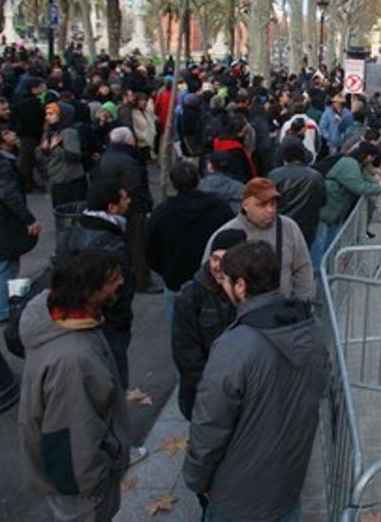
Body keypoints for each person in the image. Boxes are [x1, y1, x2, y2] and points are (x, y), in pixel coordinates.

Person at [183, 240, 330, 522]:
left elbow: (209, 425)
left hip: (237, 497)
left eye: (225, 280)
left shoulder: (233, 347)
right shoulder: (311, 327)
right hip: (287, 483)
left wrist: (196, 478)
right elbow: (319, 386)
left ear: (241, 286)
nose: (222, 286)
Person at [18, 248, 133, 522]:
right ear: (87, 290)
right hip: (81, 489)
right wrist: (94, 484)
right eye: (112, 280)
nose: (121, 283)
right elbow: (75, 435)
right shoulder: (74, 360)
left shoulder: (63, 320)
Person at [62, 180, 136, 387]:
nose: (128, 201)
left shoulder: (74, 230)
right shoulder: (112, 244)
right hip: (107, 322)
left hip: (81, 316)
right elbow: (122, 289)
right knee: (113, 378)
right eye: (124, 198)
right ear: (112, 207)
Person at [147, 161, 235, 332]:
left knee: (180, 331)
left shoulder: (162, 214)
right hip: (212, 279)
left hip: (176, 278)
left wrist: (164, 270)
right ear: (198, 179)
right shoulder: (220, 208)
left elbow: (151, 250)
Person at [172, 228, 245, 421]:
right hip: (204, 396)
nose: (218, 266)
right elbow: (186, 354)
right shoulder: (191, 298)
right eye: (215, 258)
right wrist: (213, 390)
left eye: (225, 260)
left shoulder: (248, 293)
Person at [206, 178, 314, 300]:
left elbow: (302, 268)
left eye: (273, 204)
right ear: (245, 205)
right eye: (262, 205)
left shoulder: (288, 228)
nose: (270, 210)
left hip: (282, 310)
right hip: (240, 314)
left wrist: (301, 303)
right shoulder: (225, 235)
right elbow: (208, 276)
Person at [0, 124, 41, 323]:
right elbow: (9, 193)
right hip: (5, 220)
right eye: (7, 133)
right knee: (5, 265)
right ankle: (4, 308)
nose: (13, 134)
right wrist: (28, 218)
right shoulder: (2, 162)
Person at [95, 127, 158, 294]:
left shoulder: (106, 157)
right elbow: (135, 187)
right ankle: (141, 281)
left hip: (113, 205)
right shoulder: (128, 161)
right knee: (137, 244)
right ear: (128, 141)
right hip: (132, 208)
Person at [312, 143, 381, 268]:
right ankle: (318, 272)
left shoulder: (355, 164)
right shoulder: (349, 165)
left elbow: (364, 177)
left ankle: (325, 270)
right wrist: (378, 187)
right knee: (320, 244)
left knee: (328, 244)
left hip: (333, 211)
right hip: (327, 210)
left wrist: (377, 183)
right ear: (368, 157)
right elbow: (358, 186)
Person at [268, 139, 326, 247]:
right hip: (307, 224)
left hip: (280, 223)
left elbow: (268, 199)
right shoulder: (316, 176)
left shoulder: (275, 175)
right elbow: (322, 201)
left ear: (284, 158)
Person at [39, 102, 88, 209]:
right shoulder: (49, 132)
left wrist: (54, 149)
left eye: (51, 114)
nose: (47, 117)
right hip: (56, 179)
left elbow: (73, 156)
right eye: (46, 114)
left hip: (70, 180)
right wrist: (44, 149)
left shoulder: (68, 132)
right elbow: (42, 157)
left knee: (70, 214)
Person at [11, 76, 47, 191]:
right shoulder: (33, 103)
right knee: (28, 160)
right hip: (30, 134)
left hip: (24, 134)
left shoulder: (21, 101)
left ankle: (29, 182)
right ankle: (28, 183)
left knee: (27, 160)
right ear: (34, 89)